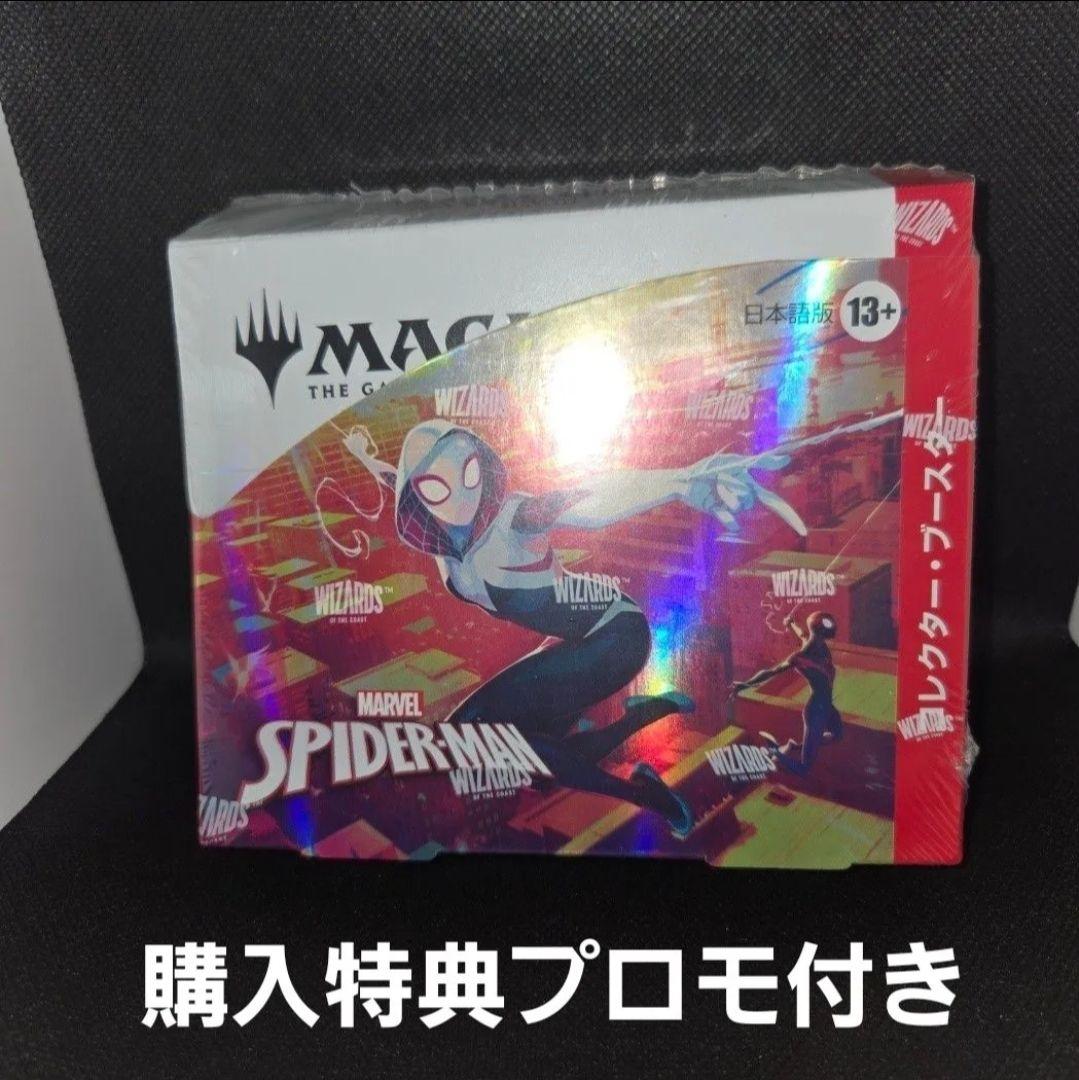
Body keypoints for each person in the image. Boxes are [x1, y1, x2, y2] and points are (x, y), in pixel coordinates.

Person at [342, 418, 804, 838]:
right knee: (538, 755)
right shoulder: (444, 546)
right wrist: (365, 458)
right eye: (437, 487)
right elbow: (397, 479)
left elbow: (589, 499)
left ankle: (647, 794)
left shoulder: (516, 519)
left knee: (469, 734)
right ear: (419, 498)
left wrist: (682, 482)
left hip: (617, 635)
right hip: (576, 641)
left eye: (470, 472)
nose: (466, 494)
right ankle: (644, 717)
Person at [731, 611, 843, 776]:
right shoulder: (801, 657)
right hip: (816, 711)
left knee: (837, 735)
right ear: (819, 631)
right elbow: (771, 672)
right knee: (804, 769)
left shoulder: (819, 645)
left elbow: (802, 633)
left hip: (827, 707)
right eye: (826, 627)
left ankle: (794, 746)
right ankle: (774, 752)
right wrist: (745, 684)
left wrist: (791, 623)